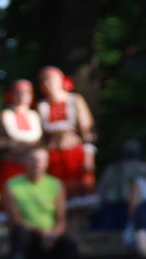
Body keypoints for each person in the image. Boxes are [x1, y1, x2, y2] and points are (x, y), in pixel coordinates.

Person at [4, 147, 80, 259]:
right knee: (20, 235)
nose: (37, 164)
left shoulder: (56, 185)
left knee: (70, 245)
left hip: (51, 237)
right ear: (25, 162)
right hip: (28, 236)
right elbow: (16, 220)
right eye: (33, 159)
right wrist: (42, 233)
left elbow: (61, 221)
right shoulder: (12, 185)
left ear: (47, 163)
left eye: (41, 160)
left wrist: (53, 235)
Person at [37, 66, 96, 198]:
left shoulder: (75, 100)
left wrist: (89, 155)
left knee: (80, 195)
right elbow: (40, 136)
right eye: (43, 80)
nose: (47, 84)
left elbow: (87, 130)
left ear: (60, 80)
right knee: (58, 196)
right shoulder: (42, 106)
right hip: (53, 157)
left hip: (74, 153)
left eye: (50, 79)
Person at [0, 79, 43, 201]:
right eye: (19, 92)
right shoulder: (3, 115)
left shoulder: (36, 115)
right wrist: (9, 144)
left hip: (33, 168)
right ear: (12, 94)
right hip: (12, 165)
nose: (23, 96)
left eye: (27, 92)